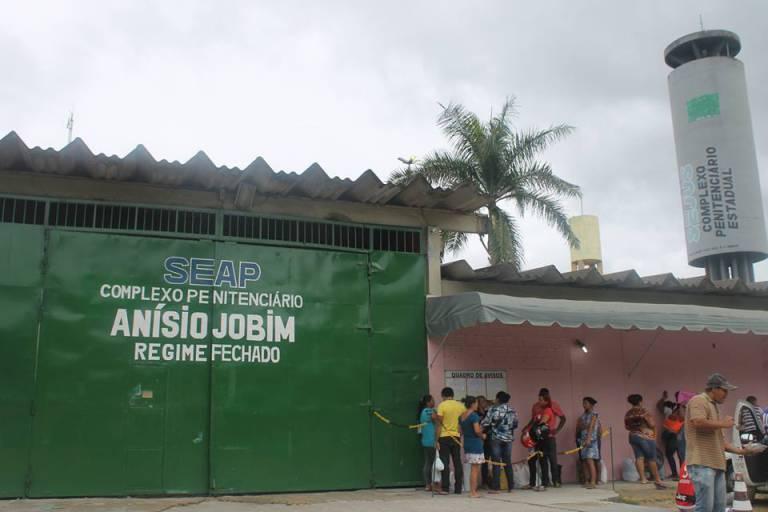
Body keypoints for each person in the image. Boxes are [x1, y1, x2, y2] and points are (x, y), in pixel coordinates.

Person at [686, 373, 757, 512]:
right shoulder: (699, 400)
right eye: (724, 390)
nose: (726, 394)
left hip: (717, 464)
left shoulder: (715, 407)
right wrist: (723, 423)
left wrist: (742, 451)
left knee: (718, 507)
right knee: (705, 508)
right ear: (714, 389)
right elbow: (697, 421)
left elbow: (720, 442)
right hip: (702, 463)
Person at [524, 388, 566, 489]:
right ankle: (544, 482)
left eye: (542, 399)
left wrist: (557, 430)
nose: (540, 401)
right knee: (542, 460)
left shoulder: (552, 407)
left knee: (552, 460)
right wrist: (527, 428)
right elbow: (533, 420)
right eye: (539, 399)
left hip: (549, 436)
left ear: (547, 398)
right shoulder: (535, 406)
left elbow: (563, 419)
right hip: (538, 437)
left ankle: (555, 481)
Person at [624, 394, 665, 489]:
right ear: (640, 401)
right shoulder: (644, 412)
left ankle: (643, 479)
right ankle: (657, 479)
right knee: (651, 458)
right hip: (646, 437)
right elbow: (652, 424)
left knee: (639, 457)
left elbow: (626, 427)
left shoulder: (628, 413)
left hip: (633, 436)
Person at [482, 391, 518, 492]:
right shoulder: (512, 410)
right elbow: (515, 424)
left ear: (497, 399)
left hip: (496, 438)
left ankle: (496, 487)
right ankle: (511, 486)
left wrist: (480, 431)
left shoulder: (492, 409)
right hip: (508, 439)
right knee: (507, 462)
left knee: (496, 462)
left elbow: (485, 423)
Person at [435, 387, 466, 495]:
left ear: (443, 395)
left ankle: (445, 488)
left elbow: (439, 424)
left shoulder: (442, 405)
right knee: (457, 462)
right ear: (453, 395)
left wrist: (436, 440)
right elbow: (462, 423)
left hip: (444, 437)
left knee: (445, 462)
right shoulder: (460, 406)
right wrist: (459, 435)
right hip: (456, 437)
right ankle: (458, 489)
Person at [460, 396, 487, 498]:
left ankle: (472, 491)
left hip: (467, 443)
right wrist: (482, 435)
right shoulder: (474, 416)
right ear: (472, 404)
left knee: (473, 468)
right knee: (475, 469)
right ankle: (473, 492)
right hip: (475, 444)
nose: (477, 405)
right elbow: (476, 431)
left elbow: (460, 431)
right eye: (476, 403)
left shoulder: (461, 416)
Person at [657, 390, 685, 480]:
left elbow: (659, 406)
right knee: (681, 455)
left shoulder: (670, 410)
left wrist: (663, 399)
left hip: (674, 434)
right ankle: (681, 475)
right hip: (680, 435)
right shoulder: (683, 408)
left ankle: (676, 474)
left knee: (671, 454)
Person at [576, 397, 601, 489]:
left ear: (591, 404)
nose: (584, 405)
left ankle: (593, 481)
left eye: (586, 403)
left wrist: (588, 439)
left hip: (591, 440)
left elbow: (591, 426)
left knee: (590, 460)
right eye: (583, 403)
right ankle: (587, 480)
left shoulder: (594, 414)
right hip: (583, 440)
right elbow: (581, 426)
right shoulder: (582, 416)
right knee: (585, 461)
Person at [418, 395, 437, 491]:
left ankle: (428, 484)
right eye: (433, 400)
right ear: (428, 402)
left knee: (428, 462)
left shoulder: (422, 412)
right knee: (434, 463)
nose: (434, 401)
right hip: (432, 441)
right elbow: (435, 418)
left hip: (426, 441)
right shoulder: (428, 411)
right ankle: (432, 484)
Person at [476, 395, 492, 489]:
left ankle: (490, 481)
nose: (483, 403)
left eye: (484, 401)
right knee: (482, 461)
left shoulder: (488, 412)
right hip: (479, 438)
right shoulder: (476, 413)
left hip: (489, 438)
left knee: (489, 460)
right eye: (481, 401)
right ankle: (483, 482)